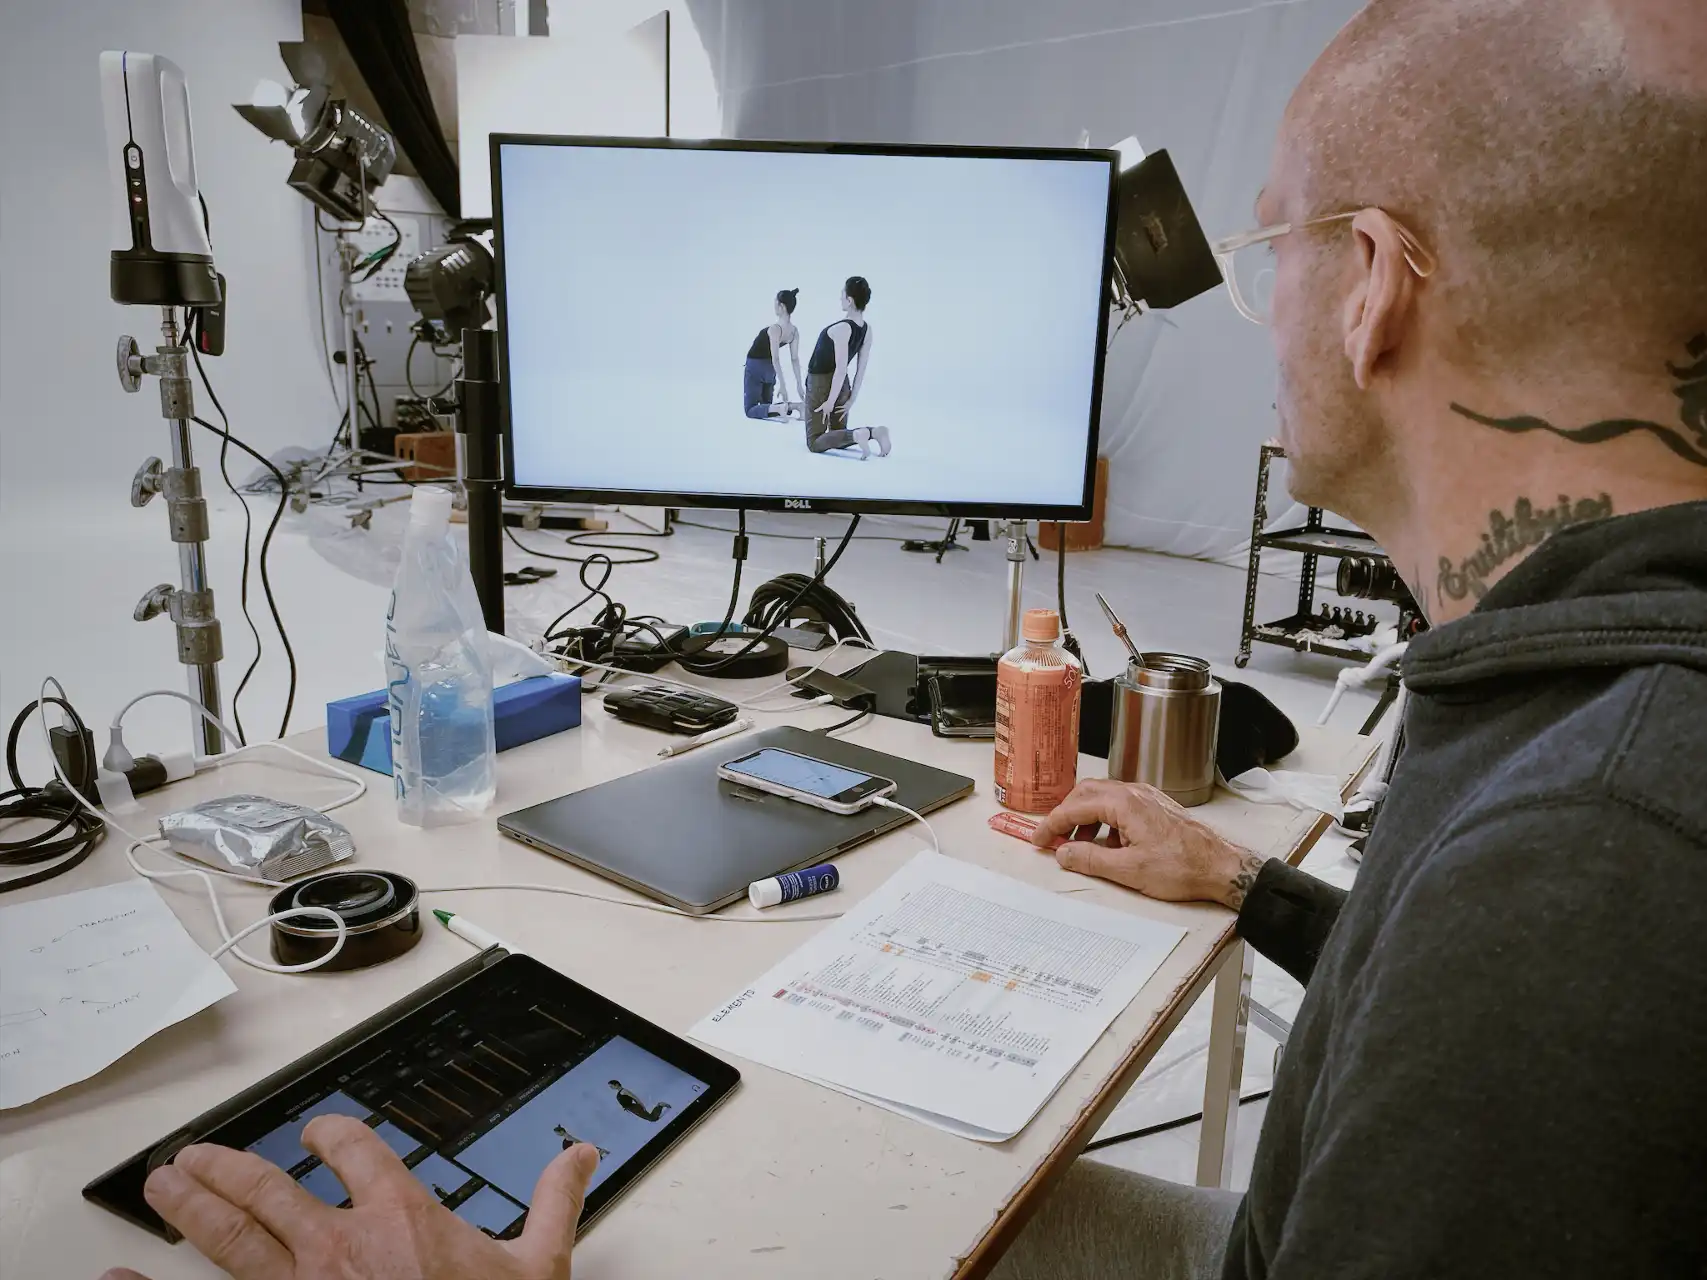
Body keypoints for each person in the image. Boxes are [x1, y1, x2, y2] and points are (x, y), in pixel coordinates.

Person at [993, 1, 1707, 1277]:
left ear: (1373, 282)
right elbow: (1456, 1008)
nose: (1269, 311)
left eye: (1275, 245)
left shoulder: (1580, 857)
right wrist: (1242, 880)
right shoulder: (1584, 695)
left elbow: (1525, 954)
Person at [804, 276, 891, 458]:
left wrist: (829, 402)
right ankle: (873, 432)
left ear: (850, 300)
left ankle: (859, 434)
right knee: (837, 436)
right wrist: (851, 398)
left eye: (842, 295)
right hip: (842, 385)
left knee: (815, 442)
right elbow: (861, 368)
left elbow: (841, 368)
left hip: (821, 384)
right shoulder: (867, 330)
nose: (840, 299)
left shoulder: (842, 328)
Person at [743, 288, 804, 421]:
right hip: (770, 370)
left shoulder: (774, 329)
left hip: (756, 366)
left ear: (781, 306)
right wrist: (799, 384)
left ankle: (781, 408)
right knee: (767, 407)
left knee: (750, 409)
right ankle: (796, 406)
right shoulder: (793, 331)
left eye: (776, 303)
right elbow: (795, 359)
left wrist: (783, 385)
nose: (774, 307)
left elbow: (776, 358)